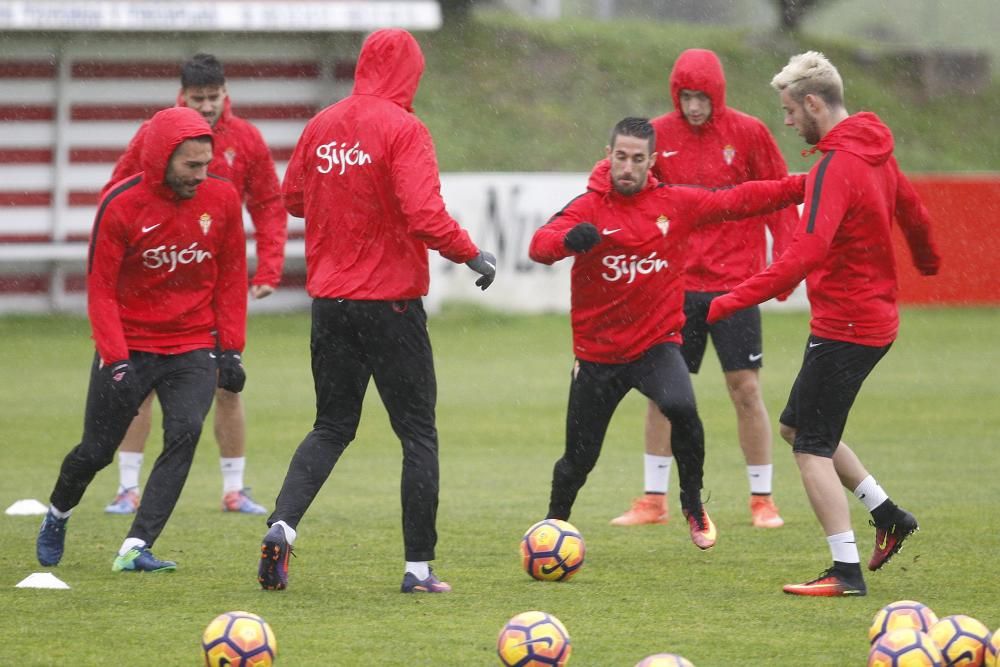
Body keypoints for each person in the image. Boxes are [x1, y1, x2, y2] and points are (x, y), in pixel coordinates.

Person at [256, 28, 497, 594]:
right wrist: (472, 254)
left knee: (332, 425)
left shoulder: (323, 123)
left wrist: (344, 196)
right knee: (417, 434)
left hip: (330, 304)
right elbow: (423, 213)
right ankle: (417, 569)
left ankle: (282, 527)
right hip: (389, 305)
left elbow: (293, 198)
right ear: (409, 73)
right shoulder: (405, 128)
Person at [706, 51, 940, 596]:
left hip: (848, 326)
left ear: (813, 104)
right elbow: (914, 212)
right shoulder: (873, 150)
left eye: (789, 111)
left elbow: (804, 250)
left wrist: (728, 302)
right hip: (868, 319)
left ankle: (846, 572)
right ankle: (888, 514)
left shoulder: (840, 165)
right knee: (800, 427)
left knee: (809, 443)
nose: (786, 122)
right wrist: (927, 260)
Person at [529, 117, 805, 551]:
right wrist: (567, 241)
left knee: (681, 406)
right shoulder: (587, 207)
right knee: (578, 459)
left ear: (652, 162)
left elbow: (741, 198)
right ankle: (552, 526)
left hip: (655, 346)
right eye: (621, 157)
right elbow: (539, 244)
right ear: (609, 155)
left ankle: (692, 503)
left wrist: (804, 185)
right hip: (598, 356)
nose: (627, 166)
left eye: (638, 159)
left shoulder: (674, 204)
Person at [36, 106, 248, 572]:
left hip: (192, 343)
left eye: (206, 165)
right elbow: (101, 290)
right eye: (190, 166)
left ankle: (136, 546)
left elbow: (232, 277)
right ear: (161, 158)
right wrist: (115, 360)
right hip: (129, 345)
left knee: (185, 433)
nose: (200, 175)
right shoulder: (120, 204)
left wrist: (231, 348)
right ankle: (58, 513)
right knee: (96, 452)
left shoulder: (224, 201)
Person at [611, 49, 797, 530]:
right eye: (686, 96)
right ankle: (653, 500)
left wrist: (788, 261)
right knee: (662, 394)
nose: (694, 107)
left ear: (717, 94)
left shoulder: (750, 133)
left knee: (746, 390)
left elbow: (778, 193)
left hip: (736, 285)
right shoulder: (657, 135)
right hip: (673, 286)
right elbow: (627, 192)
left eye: (702, 97)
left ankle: (762, 499)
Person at [100, 53, 285, 516]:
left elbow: (268, 204)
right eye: (197, 98)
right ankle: (127, 488)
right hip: (157, 276)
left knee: (228, 381)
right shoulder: (153, 135)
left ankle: (235, 489)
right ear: (183, 95)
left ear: (226, 93)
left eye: (213, 97)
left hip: (214, 282)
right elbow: (117, 193)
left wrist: (268, 269)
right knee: (139, 385)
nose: (206, 107)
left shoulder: (246, 140)